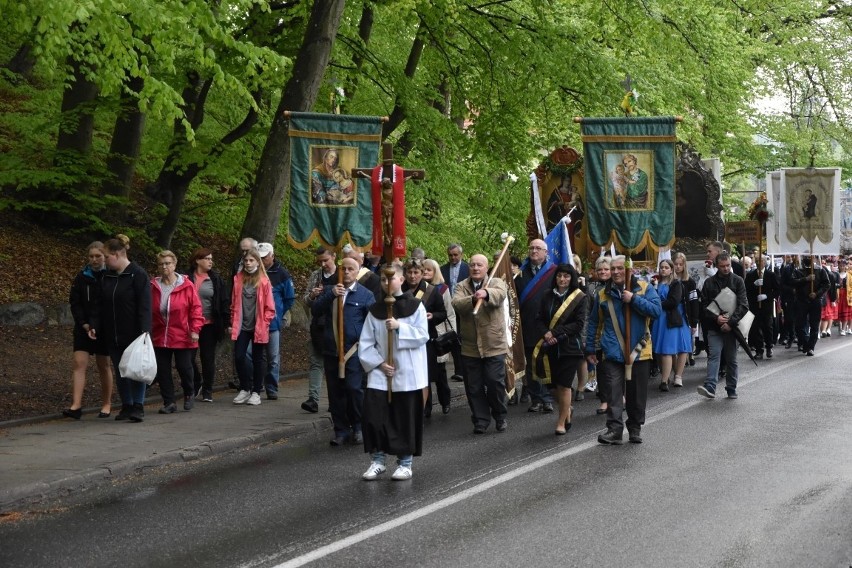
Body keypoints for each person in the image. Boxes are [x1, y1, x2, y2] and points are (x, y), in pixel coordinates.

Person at [359, 263, 430, 481]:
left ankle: (405, 463)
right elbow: (366, 342)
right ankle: (378, 460)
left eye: (391, 278)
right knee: (375, 416)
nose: (386, 283)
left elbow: (422, 335)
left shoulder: (415, 306)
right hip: (381, 371)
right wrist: (379, 363)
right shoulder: (375, 310)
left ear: (401, 280)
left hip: (407, 371)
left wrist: (400, 327)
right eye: (382, 279)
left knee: (403, 417)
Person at [585, 255, 661, 444]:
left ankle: (635, 427)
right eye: (613, 269)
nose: (616, 272)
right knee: (613, 392)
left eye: (620, 268)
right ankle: (614, 430)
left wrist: (633, 299)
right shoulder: (602, 294)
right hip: (612, 350)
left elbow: (656, 311)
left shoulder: (644, 288)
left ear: (629, 270)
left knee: (636, 394)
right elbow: (594, 322)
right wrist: (589, 348)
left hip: (639, 350)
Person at [88, 235, 151, 423]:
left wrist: (145, 330)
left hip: (134, 332)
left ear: (117, 255)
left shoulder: (137, 274)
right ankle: (127, 404)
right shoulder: (106, 276)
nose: (104, 261)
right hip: (112, 332)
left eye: (106, 257)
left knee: (136, 369)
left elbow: (145, 305)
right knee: (120, 369)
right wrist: (94, 324)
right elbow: (99, 304)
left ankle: (138, 406)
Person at [312, 257, 375, 445]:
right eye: (344, 269)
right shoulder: (331, 290)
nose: (347, 272)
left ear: (358, 271)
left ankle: (358, 426)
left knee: (354, 389)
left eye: (351, 269)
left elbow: (373, 322)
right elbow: (315, 310)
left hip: (354, 350)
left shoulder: (365, 294)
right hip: (332, 349)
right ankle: (340, 430)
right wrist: (330, 294)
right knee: (335, 392)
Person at [452, 254, 509, 434]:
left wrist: (486, 293)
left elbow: (500, 295)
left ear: (486, 267)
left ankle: (499, 415)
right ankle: (481, 419)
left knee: (494, 383)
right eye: (472, 265)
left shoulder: (497, 282)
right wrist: (472, 299)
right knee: (474, 386)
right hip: (470, 347)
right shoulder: (462, 285)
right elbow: (456, 304)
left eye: (479, 265)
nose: (476, 268)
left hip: (494, 344)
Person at [534, 263, 587, 435]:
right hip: (549, 347)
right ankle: (568, 409)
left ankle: (561, 422)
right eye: (559, 276)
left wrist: (555, 332)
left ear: (572, 278)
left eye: (566, 276)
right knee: (552, 387)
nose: (562, 279)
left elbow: (578, 324)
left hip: (569, 348)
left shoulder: (579, 297)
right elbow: (539, 318)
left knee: (564, 386)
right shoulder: (546, 295)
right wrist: (545, 333)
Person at [64, 241, 113, 419]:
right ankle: (76, 405)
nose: (94, 259)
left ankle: (107, 403)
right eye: (91, 256)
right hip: (83, 326)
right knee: (79, 363)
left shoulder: (110, 276)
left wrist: (98, 325)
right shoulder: (81, 277)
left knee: (104, 365)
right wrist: (83, 323)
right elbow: (75, 302)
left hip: (104, 328)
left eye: (98, 256)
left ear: (104, 257)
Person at [151, 250, 204, 414]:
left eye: (167, 263)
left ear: (174, 265)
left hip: (182, 333)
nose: (164, 267)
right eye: (161, 264)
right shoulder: (153, 285)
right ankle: (169, 402)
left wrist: (195, 329)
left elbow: (196, 309)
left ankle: (189, 393)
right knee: (162, 369)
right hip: (160, 334)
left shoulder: (186, 285)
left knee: (184, 367)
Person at [402, 258, 449, 417]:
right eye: (410, 272)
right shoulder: (399, 290)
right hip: (404, 338)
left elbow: (443, 313)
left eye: (416, 272)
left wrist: (432, 316)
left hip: (426, 339)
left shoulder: (432, 291)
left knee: (425, 374)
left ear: (422, 274)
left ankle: (425, 409)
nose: (413, 276)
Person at [698, 253, 748, 399]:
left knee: (731, 359)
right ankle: (710, 386)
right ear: (716, 266)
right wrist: (716, 318)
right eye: (722, 266)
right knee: (714, 356)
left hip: (732, 329)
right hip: (715, 327)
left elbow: (743, 305)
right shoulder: (709, 283)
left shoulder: (738, 281)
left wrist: (730, 323)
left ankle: (731, 388)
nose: (726, 268)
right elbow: (705, 306)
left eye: (728, 266)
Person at [229, 248, 276, 406]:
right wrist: (232, 320)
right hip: (241, 325)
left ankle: (256, 391)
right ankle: (245, 388)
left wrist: (265, 322)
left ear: (257, 262)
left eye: (252, 260)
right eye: (246, 261)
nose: (248, 263)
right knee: (239, 356)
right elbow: (234, 303)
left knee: (257, 359)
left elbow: (270, 307)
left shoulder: (264, 281)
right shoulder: (238, 279)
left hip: (258, 326)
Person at [515, 238, 555, 414]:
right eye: (531, 248)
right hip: (528, 325)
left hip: (549, 326)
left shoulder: (554, 272)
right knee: (531, 364)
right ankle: (536, 398)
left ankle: (547, 397)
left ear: (546, 252)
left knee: (547, 363)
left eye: (538, 248)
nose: (534, 251)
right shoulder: (519, 274)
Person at [187, 248, 230, 402]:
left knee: (207, 357)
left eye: (211, 259)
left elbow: (223, 301)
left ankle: (208, 390)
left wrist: (226, 323)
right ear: (198, 260)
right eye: (207, 259)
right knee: (188, 358)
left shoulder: (215, 279)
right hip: (189, 325)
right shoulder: (186, 277)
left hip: (209, 324)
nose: (211, 261)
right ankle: (196, 381)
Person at [301, 247, 338, 413]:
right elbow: (306, 299)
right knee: (316, 362)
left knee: (333, 365)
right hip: (318, 325)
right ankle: (313, 399)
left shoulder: (343, 275)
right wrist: (313, 296)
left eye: (326, 260)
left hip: (336, 326)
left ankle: (334, 400)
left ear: (333, 257)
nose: (323, 264)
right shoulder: (316, 276)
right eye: (320, 261)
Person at [257, 243, 295, 400]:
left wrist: (278, 313)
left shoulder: (282, 274)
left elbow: (289, 298)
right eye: (260, 257)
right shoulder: (253, 272)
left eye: (264, 257)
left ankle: (271, 387)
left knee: (273, 357)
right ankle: (256, 385)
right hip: (255, 322)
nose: (262, 260)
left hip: (272, 323)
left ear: (272, 255)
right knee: (255, 356)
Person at [651, 259, 691, 390]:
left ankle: (667, 379)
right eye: (661, 267)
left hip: (671, 318)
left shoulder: (675, 284)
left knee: (668, 349)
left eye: (666, 267)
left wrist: (656, 305)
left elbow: (673, 301)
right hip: (659, 319)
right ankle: (666, 376)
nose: (663, 269)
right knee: (659, 350)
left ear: (671, 269)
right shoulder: (656, 283)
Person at [423, 258, 456, 413]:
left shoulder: (442, 289)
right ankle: (426, 406)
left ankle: (445, 401)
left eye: (429, 270)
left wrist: (452, 334)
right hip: (424, 336)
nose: (425, 273)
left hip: (439, 335)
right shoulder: (418, 289)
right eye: (423, 270)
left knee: (441, 373)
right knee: (425, 375)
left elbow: (449, 313)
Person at [441, 243, 470, 381]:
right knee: (453, 339)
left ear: (461, 255)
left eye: (455, 255)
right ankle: (459, 370)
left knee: (464, 339)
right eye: (450, 255)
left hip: (464, 308)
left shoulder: (469, 269)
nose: (453, 257)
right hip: (448, 310)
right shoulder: (442, 270)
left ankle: (467, 370)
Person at [791, 256, 831, 356]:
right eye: (806, 257)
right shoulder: (798, 270)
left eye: (809, 256)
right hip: (801, 301)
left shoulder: (820, 270)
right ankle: (805, 343)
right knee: (799, 325)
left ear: (813, 258)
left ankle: (811, 347)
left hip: (815, 301)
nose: (807, 258)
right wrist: (805, 279)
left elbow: (827, 284)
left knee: (814, 325)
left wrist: (817, 293)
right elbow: (792, 282)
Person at [588, 256, 612, 415]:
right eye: (600, 269)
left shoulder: (618, 286)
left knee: (617, 368)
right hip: (598, 334)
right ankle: (604, 400)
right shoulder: (591, 289)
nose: (603, 272)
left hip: (615, 334)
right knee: (602, 369)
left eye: (606, 269)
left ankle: (620, 396)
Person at [745, 255, 779, 359]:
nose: (760, 263)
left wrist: (767, 296)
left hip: (766, 305)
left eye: (762, 261)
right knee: (755, 327)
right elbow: (745, 289)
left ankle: (769, 347)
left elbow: (777, 290)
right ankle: (759, 350)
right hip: (755, 305)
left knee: (767, 326)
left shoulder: (771, 275)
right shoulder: (750, 275)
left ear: (765, 262)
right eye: (758, 261)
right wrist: (754, 285)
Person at [673, 252, 700, 367]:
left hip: (686, 314)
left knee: (687, 338)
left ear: (684, 265)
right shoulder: (670, 281)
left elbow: (694, 302)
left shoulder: (690, 282)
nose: (678, 267)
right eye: (675, 264)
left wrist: (694, 322)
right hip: (673, 314)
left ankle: (688, 355)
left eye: (680, 264)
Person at [837, 259, 852, 336]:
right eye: (841, 265)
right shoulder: (836, 274)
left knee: (847, 312)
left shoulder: (849, 275)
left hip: (847, 295)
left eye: (843, 265)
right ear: (839, 266)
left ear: (846, 266)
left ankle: (845, 328)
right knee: (839, 312)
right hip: (839, 295)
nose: (842, 267)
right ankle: (841, 327)